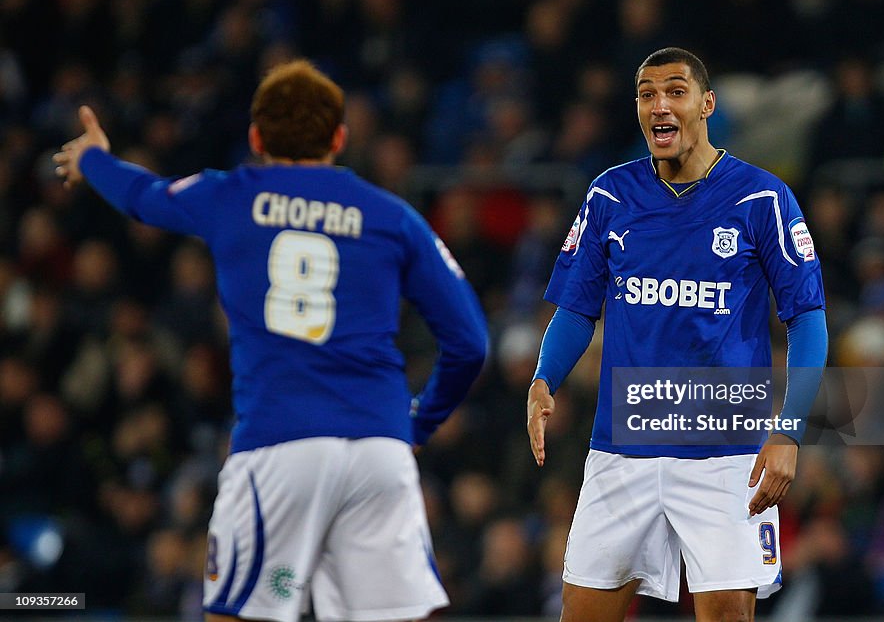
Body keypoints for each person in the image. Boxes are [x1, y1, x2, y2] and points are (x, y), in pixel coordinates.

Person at [54, 60, 488, 622]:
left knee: (236, 614)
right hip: (379, 447)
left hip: (279, 443)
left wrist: (91, 157)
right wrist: (419, 423)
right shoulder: (393, 217)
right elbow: (470, 342)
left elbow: (144, 195)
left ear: (256, 137)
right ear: (339, 137)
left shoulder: (229, 195)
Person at [527, 47, 828, 621]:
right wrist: (546, 377)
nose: (659, 106)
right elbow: (575, 309)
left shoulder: (761, 198)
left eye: (674, 91)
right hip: (624, 445)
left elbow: (808, 320)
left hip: (725, 451)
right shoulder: (610, 196)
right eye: (646, 95)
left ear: (706, 104)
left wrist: (789, 432)